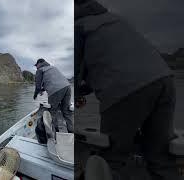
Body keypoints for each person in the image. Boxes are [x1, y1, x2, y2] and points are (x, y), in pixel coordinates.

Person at [76, 0, 179, 179]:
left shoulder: (79, 26)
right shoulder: (114, 20)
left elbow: (76, 68)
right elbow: (112, 63)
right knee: (161, 157)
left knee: (111, 158)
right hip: (164, 80)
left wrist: (78, 94)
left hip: (124, 89)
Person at [33, 58, 73, 133]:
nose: (36, 67)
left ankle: (55, 132)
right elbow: (53, 81)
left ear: (39, 63)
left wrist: (35, 95)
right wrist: (43, 90)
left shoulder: (40, 70)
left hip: (55, 90)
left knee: (52, 112)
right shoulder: (53, 68)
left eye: (36, 65)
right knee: (66, 112)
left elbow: (38, 86)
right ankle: (72, 132)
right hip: (67, 87)